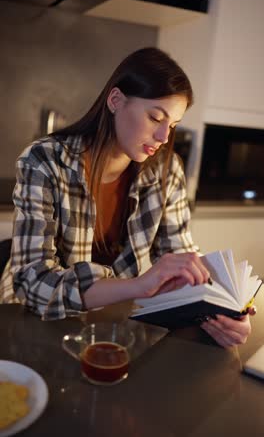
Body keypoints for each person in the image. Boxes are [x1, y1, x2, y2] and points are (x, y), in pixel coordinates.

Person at [0, 47, 255, 348]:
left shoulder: (167, 170)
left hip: (114, 325)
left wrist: (226, 308)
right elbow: (33, 284)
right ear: (116, 100)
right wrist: (137, 285)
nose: (163, 138)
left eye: (171, 125)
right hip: (33, 323)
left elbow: (180, 260)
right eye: (155, 117)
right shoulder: (44, 160)